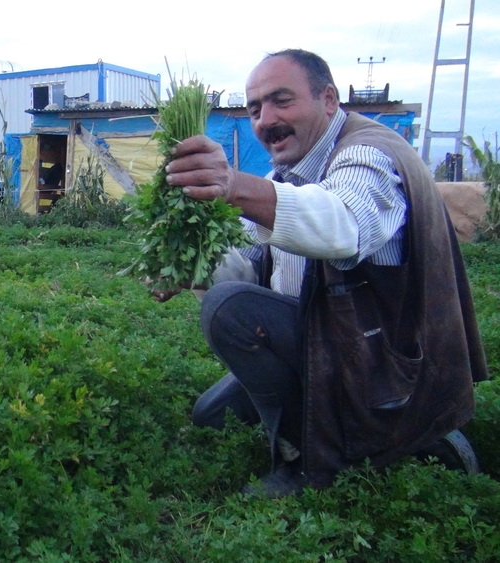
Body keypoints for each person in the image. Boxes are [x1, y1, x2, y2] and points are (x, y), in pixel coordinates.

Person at [155, 49, 487, 496]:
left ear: (328, 99)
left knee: (226, 311)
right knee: (211, 416)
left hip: (379, 364)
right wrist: (192, 269)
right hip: (326, 345)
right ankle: (384, 436)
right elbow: (250, 274)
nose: (266, 119)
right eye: (255, 108)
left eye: (281, 100)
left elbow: (340, 224)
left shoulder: (370, 155)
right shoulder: (288, 174)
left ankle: (309, 464)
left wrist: (234, 185)